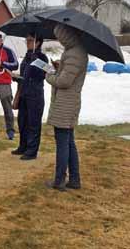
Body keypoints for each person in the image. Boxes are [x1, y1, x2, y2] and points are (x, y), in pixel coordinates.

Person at [44, 25, 88, 191]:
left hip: (65, 104)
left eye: (61, 37)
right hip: (68, 103)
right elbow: (68, 74)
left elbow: (64, 82)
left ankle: (59, 180)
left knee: (63, 143)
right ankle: (74, 179)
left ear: (67, 37)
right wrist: (60, 67)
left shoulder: (74, 54)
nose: (60, 41)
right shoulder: (77, 51)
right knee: (69, 142)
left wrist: (49, 75)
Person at [11, 33, 48, 160]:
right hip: (24, 93)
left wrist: (35, 61)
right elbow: (25, 75)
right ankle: (23, 146)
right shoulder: (26, 57)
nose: (27, 42)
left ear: (38, 42)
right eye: (26, 40)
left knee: (33, 123)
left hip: (35, 94)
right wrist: (17, 78)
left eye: (30, 40)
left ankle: (32, 150)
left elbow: (44, 74)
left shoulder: (42, 57)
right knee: (22, 121)